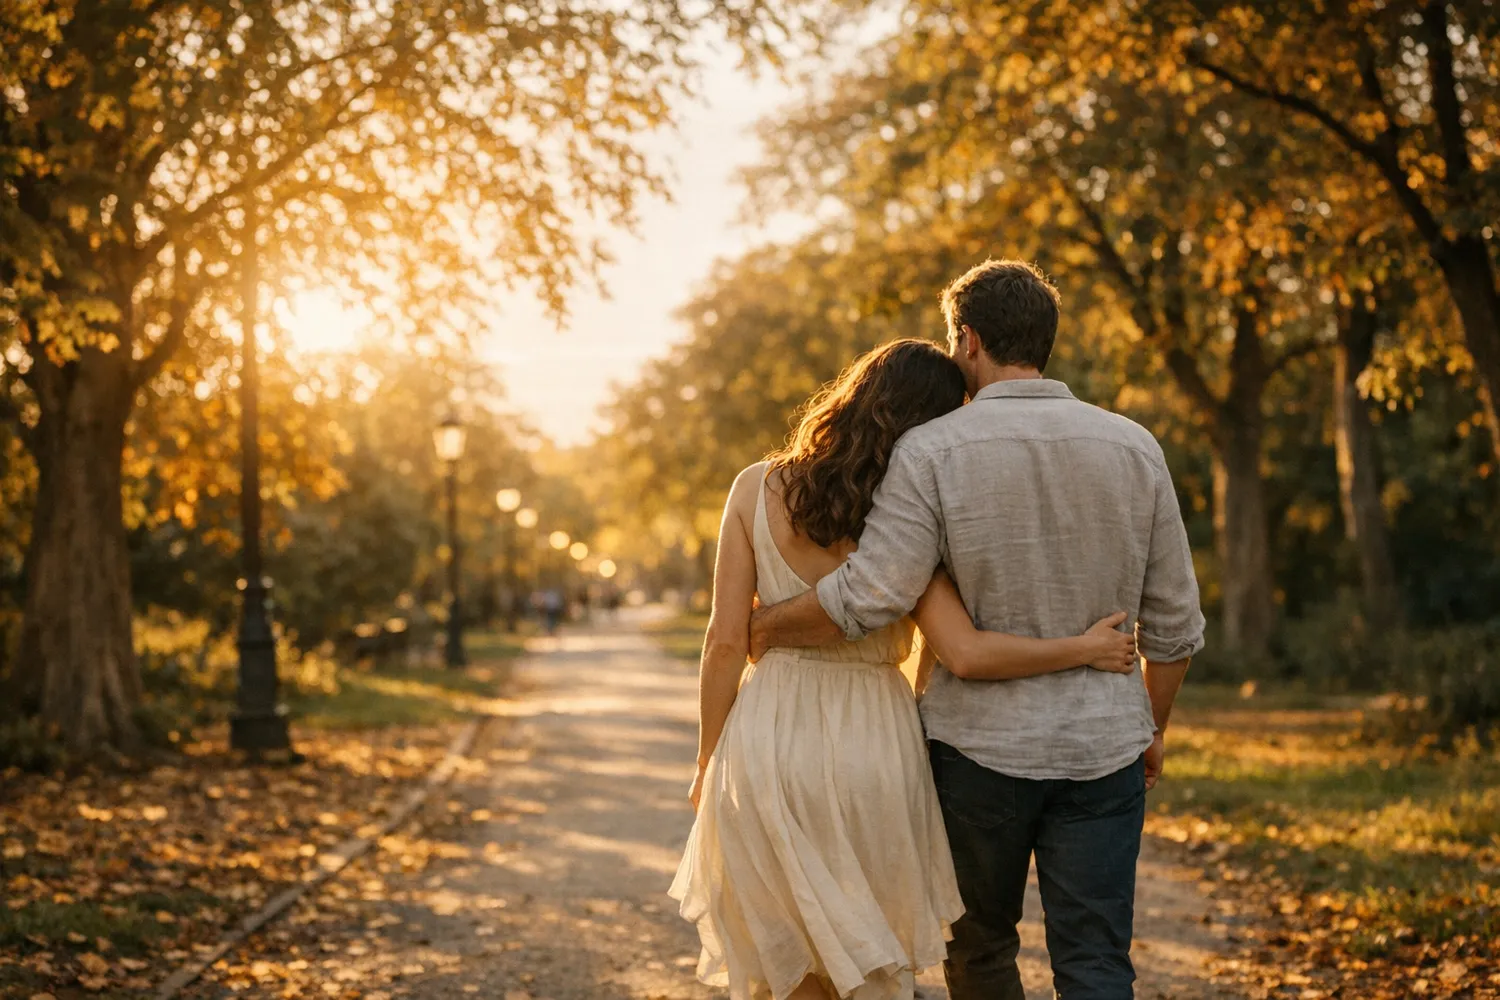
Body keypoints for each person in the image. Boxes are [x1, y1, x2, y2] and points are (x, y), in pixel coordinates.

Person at [749, 261, 1206, 999]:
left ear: (968, 339)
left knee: (983, 951)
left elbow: (873, 593)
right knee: (1095, 961)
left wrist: (763, 625)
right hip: (1104, 750)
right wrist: (1149, 727)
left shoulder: (931, 452)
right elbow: (1177, 628)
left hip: (977, 755)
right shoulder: (1134, 447)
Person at [670, 339, 1143, 1000]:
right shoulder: (906, 517)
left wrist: (706, 760)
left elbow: (724, 642)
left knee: (788, 958)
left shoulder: (755, 486)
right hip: (876, 742)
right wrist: (1083, 648)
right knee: (864, 957)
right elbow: (964, 650)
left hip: (771, 737)